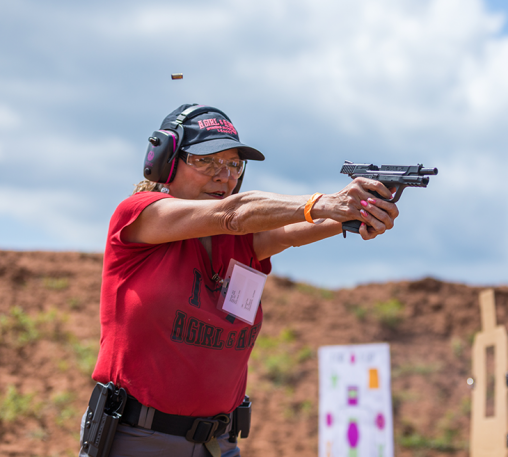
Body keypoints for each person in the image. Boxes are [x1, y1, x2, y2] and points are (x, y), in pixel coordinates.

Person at [79, 104, 399, 457]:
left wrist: (362, 208)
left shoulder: (241, 239)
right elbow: (235, 213)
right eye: (205, 161)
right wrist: (328, 202)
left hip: (219, 444)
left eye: (233, 165)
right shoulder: (140, 214)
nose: (224, 176)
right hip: (140, 441)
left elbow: (295, 228)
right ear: (166, 162)